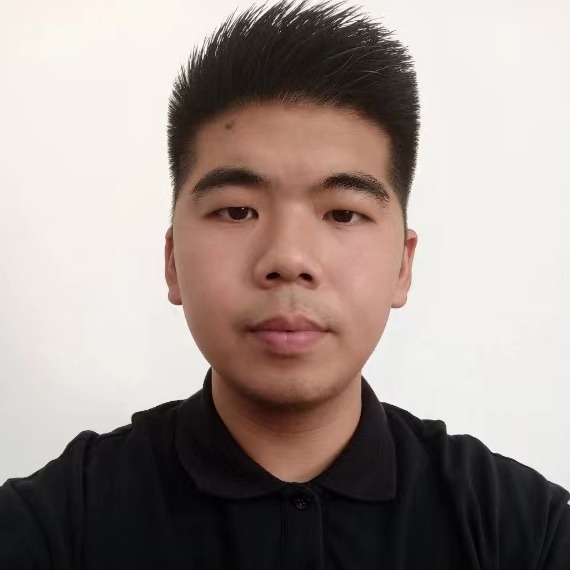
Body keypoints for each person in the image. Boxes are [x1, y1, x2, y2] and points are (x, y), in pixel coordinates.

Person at [1, 0, 568, 567]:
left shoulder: (527, 531)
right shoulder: (53, 524)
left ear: (403, 265)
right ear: (172, 261)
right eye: (237, 211)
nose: (289, 259)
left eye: (342, 213)